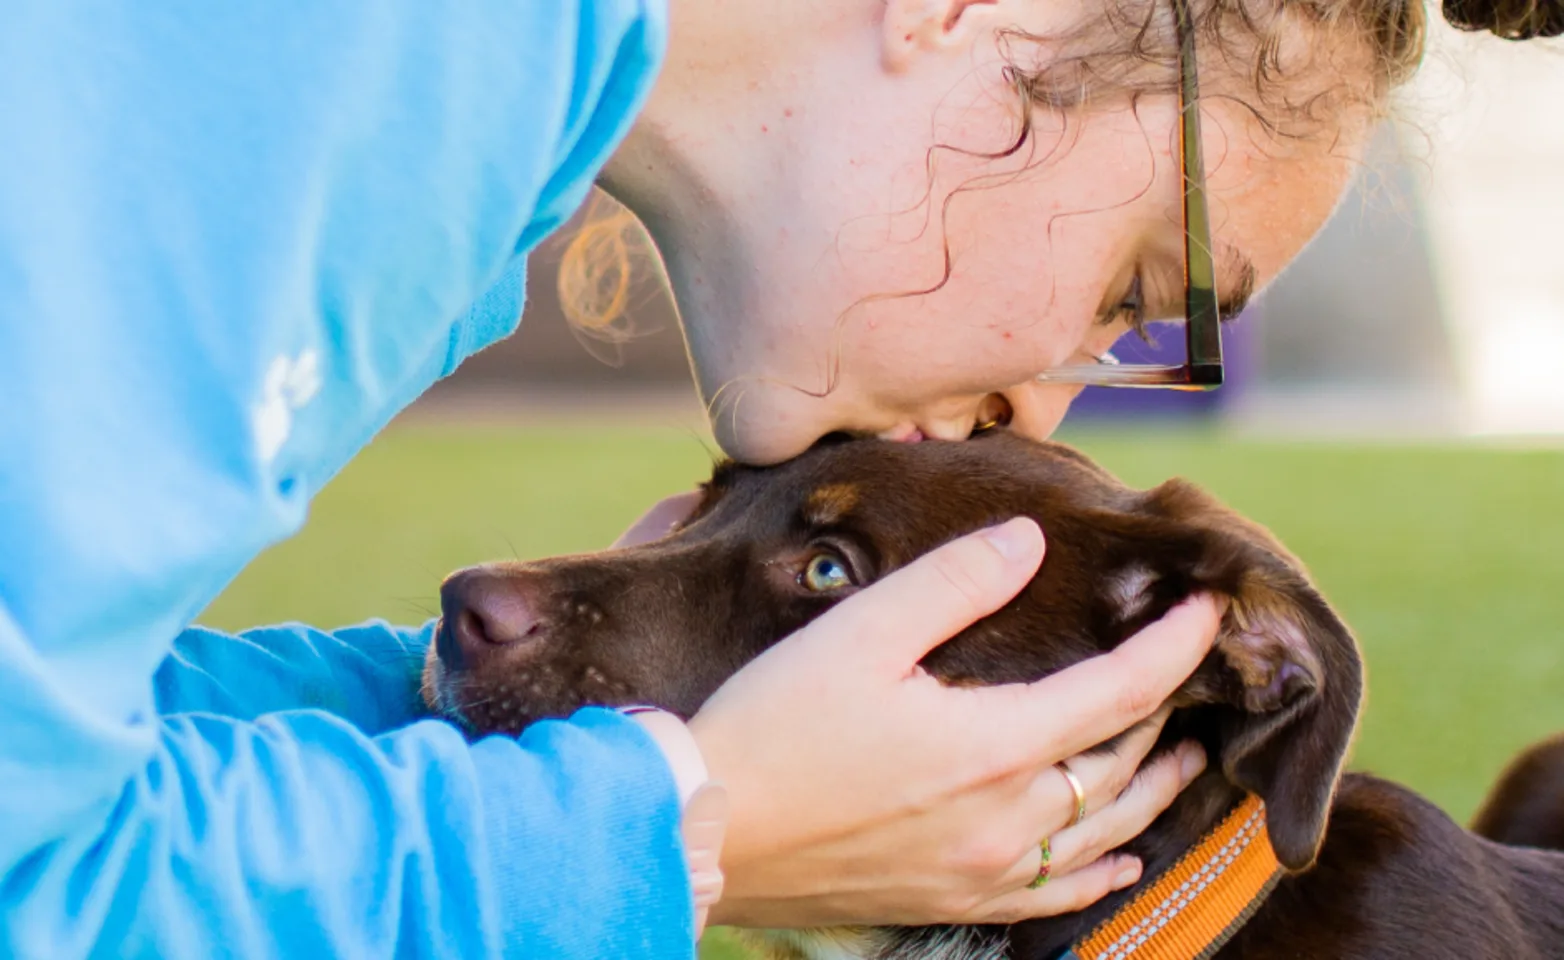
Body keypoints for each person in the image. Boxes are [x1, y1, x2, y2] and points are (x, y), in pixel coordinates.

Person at [0, 0, 1556, 958]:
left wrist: (546, 724)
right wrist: (680, 823)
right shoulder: (367, 70)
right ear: (980, 13)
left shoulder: (479, 141)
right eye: (1131, 291)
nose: (1050, 403)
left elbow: (66, 735)